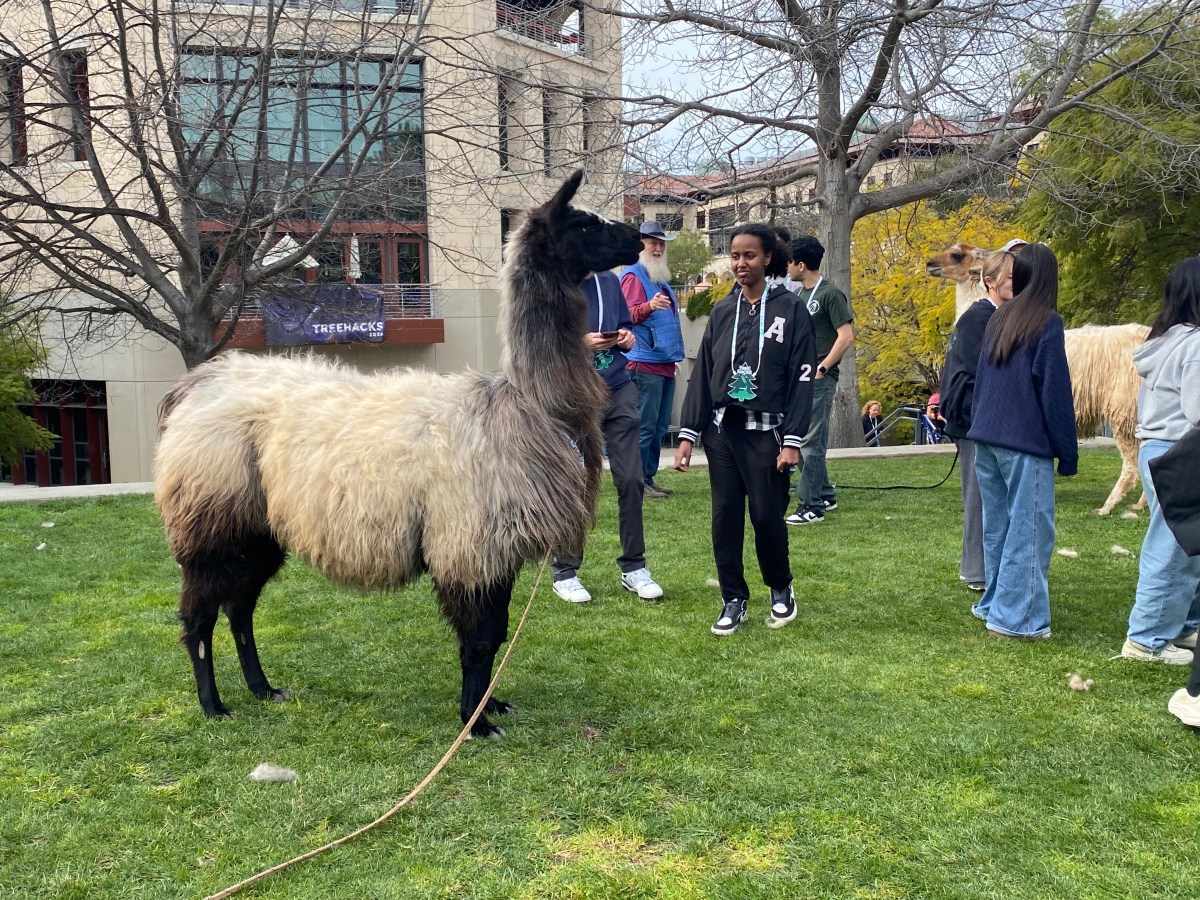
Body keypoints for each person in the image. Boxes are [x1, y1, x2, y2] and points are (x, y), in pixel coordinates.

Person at [673, 224, 816, 635]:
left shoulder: (792, 309)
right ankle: (733, 597)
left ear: (767, 258)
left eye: (749, 255)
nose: (740, 263)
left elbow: (802, 376)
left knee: (768, 517)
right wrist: (688, 434)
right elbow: (703, 376)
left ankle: (780, 587)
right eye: (734, 256)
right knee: (726, 517)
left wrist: (792, 440)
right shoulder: (722, 311)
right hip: (723, 432)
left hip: (767, 433)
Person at [966, 243, 1077, 641]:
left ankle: (995, 604)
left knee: (999, 525)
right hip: (1022, 441)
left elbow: (983, 380)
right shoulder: (1047, 322)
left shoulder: (999, 317)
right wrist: (1068, 451)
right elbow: (1054, 392)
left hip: (987, 438)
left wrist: (978, 425)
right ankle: (1017, 621)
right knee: (1029, 529)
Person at [552, 270, 664, 604]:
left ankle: (634, 567)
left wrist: (627, 338)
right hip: (574, 395)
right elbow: (539, 343)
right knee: (578, 483)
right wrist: (579, 343)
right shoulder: (555, 282)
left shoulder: (609, 282)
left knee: (632, 480)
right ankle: (565, 572)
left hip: (618, 390)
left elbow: (624, 326)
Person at [1120, 256, 1200, 665]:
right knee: (1172, 548)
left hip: (1157, 447)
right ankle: (1146, 641)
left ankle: (1184, 626)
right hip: (1182, 451)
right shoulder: (1196, 343)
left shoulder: (1163, 340)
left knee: (1187, 544)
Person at [939, 250, 1017, 593]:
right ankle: (976, 571)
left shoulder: (992, 315)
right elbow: (969, 376)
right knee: (979, 495)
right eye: (1012, 278)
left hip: (984, 419)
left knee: (990, 494)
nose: (1017, 284)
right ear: (990, 281)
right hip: (975, 420)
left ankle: (985, 567)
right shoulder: (979, 317)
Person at [783, 236, 854, 525]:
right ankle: (825, 493)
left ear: (801, 264)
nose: (786, 267)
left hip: (819, 379)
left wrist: (822, 368)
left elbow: (846, 336)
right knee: (801, 437)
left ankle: (811, 506)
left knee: (810, 442)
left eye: (788, 262)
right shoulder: (800, 295)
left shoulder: (830, 294)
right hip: (799, 379)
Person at [622, 222, 686, 500]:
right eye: (652, 243)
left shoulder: (659, 278)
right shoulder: (633, 277)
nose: (658, 248)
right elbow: (625, 316)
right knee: (644, 428)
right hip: (644, 364)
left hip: (664, 364)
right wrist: (648, 306)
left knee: (659, 427)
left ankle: (648, 478)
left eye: (661, 243)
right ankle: (636, 483)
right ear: (641, 247)